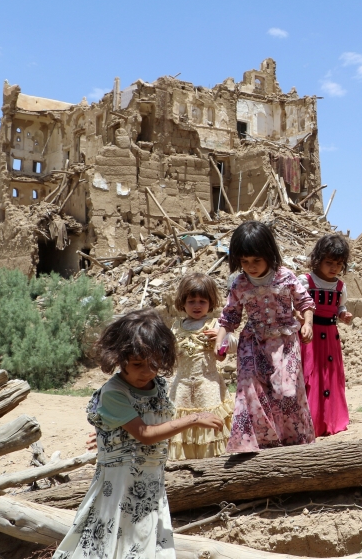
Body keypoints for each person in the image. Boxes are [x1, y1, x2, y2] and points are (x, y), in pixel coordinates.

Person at [53, 309, 224, 559]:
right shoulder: (114, 392)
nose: (146, 372)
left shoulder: (159, 386)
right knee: (112, 543)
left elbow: (154, 422)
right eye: (137, 365)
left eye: (153, 364)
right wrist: (193, 419)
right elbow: (145, 434)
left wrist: (108, 433)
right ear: (119, 358)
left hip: (151, 482)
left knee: (144, 542)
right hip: (120, 485)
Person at [215, 220, 316, 452]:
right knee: (248, 392)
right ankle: (258, 446)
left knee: (287, 392)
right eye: (244, 261)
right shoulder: (239, 284)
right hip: (253, 345)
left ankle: (294, 445)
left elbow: (305, 303)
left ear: (269, 255)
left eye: (256, 260)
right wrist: (220, 341)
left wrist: (307, 324)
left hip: (285, 343)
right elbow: (229, 317)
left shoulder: (286, 277)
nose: (250, 266)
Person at [167, 273, 233, 460]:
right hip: (182, 387)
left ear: (210, 302)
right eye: (191, 301)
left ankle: (211, 464)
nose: (197, 305)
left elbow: (221, 358)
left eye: (202, 301)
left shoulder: (216, 326)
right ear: (182, 302)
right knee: (181, 423)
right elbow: (170, 355)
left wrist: (219, 341)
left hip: (208, 386)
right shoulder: (176, 326)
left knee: (210, 421)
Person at [298, 234, 353, 437]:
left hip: (330, 338)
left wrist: (343, 314)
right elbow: (296, 304)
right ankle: (309, 422)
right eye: (329, 262)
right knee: (309, 375)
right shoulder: (305, 281)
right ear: (318, 260)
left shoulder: (340, 287)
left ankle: (331, 419)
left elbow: (340, 307)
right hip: (309, 337)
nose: (334, 268)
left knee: (330, 376)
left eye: (338, 264)